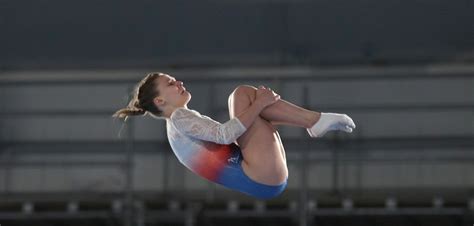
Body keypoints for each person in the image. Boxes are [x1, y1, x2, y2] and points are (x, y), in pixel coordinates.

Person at [113, 72, 356, 199]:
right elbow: (225, 134)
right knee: (242, 96)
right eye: (171, 83)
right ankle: (315, 121)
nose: (179, 82)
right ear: (160, 100)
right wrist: (259, 104)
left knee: (244, 99)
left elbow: (238, 130)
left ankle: (314, 122)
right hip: (259, 175)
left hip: (261, 179)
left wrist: (260, 106)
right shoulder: (179, 119)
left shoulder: (179, 125)